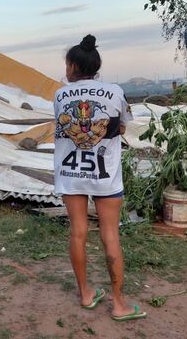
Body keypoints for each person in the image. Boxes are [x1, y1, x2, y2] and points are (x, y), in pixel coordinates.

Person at [54, 35, 146, 322]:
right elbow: (122, 128)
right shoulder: (115, 92)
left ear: (72, 65)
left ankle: (85, 294)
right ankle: (119, 304)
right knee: (110, 235)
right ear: (95, 66)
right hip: (105, 175)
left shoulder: (59, 95)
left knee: (78, 233)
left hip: (71, 173)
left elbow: (65, 128)